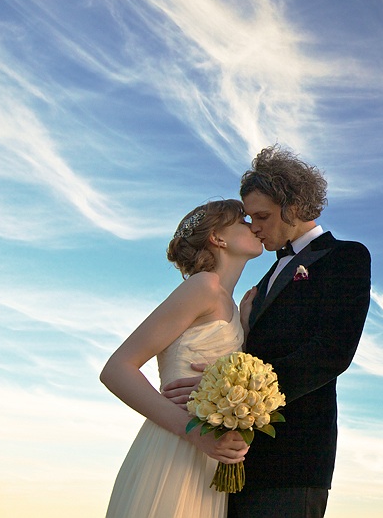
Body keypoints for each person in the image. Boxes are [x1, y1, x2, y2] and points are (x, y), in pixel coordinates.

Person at [163, 145, 371, 518]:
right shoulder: (261, 282)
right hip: (229, 458)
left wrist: (232, 392)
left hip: (294, 460)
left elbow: (332, 352)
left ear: (293, 207)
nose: (255, 227)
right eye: (249, 217)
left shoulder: (346, 257)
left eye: (262, 216)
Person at [101, 199, 264, 517]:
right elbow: (117, 369)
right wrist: (194, 433)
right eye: (243, 220)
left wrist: (244, 327)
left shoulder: (232, 305)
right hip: (175, 449)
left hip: (208, 463)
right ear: (218, 237)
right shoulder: (204, 286)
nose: (254, 224)